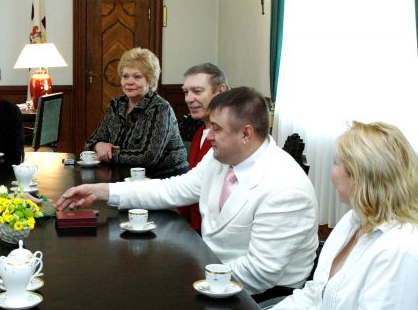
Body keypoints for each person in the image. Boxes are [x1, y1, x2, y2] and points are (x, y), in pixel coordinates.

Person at [57, 87, 318, 298]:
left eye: (216, 128)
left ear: (246, 134)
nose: (208, 135)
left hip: (260, 299)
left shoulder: (285, 188)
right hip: (213, 275)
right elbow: (172, 189)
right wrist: (102, 191)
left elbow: (259, 274)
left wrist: (186, 277)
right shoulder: (222, 157)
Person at [267, 122, 418, 310]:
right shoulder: (353, 220)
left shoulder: (400, 249)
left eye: (337, 164)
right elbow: (314, 294)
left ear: (364, 176)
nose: (332, 174)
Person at [83, 47, 188, 178]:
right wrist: (98, 145)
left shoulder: (160, 108)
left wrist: (109, 155)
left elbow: (149, 157)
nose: (129, 82)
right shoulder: (116, 105)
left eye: (137, 77)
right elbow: (89, 143)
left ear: (150, 81)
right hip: (125, 177)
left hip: (164, 179)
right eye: (125, 76)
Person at [178, 63, 229, 233]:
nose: (188, 99)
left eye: (197, 91)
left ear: (220, 92)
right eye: (186, 92)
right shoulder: (199, 132)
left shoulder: (228, 139)